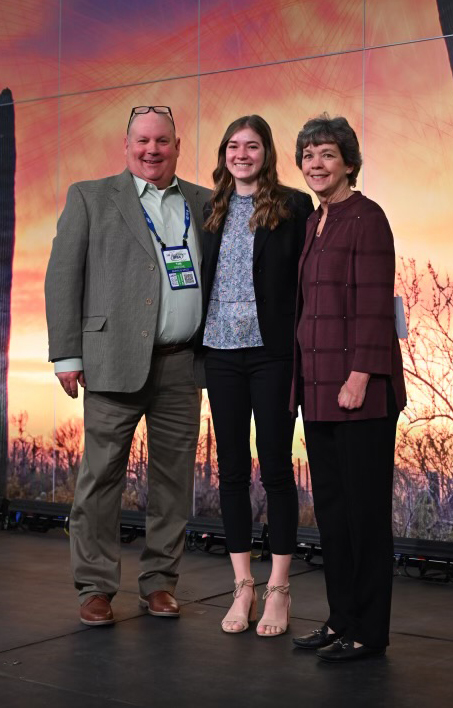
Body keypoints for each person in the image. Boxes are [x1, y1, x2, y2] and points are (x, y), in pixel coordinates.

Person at [45, 105, 211, 626]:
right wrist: (67, 354)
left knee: (173, 484)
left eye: (162, 141)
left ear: (177, 146)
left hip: (183, 365)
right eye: (142, 141)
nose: (151, 150)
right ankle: (95, 587)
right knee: (100, 478)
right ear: (126, 144)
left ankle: (160, 583)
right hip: (111, 360)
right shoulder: (90, 197)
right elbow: (62, 278)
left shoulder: (204, 203)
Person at [290, 113, 407, 661]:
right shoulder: (317, 224)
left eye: (327, 154)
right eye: (309, 154)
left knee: (364, 517)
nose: (316, 163)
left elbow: (373, 306)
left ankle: (368, 632)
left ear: (349, 163)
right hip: (318, 394)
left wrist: (360, 376)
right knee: (333, 515)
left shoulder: (367, 218)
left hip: (360, 394)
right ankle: (341, 621)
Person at [196, 115, 314, 636]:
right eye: (233, 146)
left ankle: (279, 589)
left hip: (271, 354)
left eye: (252, 146)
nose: (242, 154)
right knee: (232, 474)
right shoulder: (211, 209)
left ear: (267, 152)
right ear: (224, 153)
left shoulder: (293, 206)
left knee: (276, 470)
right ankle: (242, 585)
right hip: (220, 353)